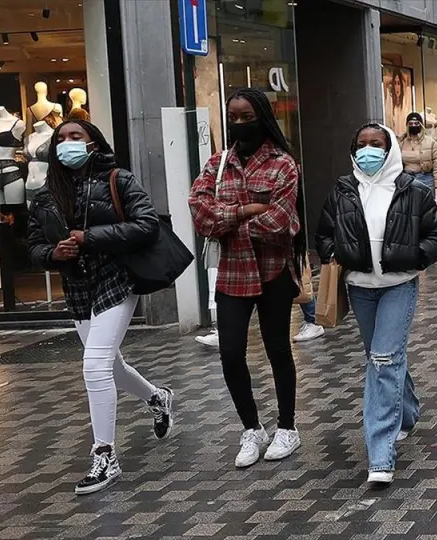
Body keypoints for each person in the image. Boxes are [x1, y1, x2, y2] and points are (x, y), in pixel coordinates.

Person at [27, 119, 173, 495]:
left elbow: (147, 225)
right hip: (77, 287)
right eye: (61, 139)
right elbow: (34, 247)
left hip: (116, 279)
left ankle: (105, 455)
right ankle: (157, 397)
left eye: (76, 136)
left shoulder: (117, 179)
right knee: (112, 366)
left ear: (93, 143)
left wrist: (89, 237)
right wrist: (54, 253)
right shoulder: (45, 195)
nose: (67, 143)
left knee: (94, 365)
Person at [316, 123, 437, 485]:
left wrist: (415, 258)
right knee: (382, 357)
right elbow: (323, 234)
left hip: (398, 286)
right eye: (361, 144)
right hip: (360, 288)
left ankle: (380, 454)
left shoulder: (412, 190)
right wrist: (336, 253)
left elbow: (436, 234)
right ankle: (407, 411)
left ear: (389, 150)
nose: (368, 150)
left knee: (384, 359)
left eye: (376, 144)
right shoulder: (343, 190)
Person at [189, 88, 302, 469]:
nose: (239, 123)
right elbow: (200, 214)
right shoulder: (218, 163)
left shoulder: (283, 164)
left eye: (246, 117)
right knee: (230, 352)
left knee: (278, 350)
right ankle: (252, 428)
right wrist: (245, 210)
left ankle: (287, 427)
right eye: (233, 117)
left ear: (262, 117)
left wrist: (226, 217)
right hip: (233, 272)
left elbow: (278, 222)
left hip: (273, 271)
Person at [399, 112, 437, 190]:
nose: (413, 126)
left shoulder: (431, 142)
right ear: (407, 126)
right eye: (411, 123)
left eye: (416, 123)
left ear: (421, 125)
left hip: (426, 180)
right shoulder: (401, 143)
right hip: (407, 180)